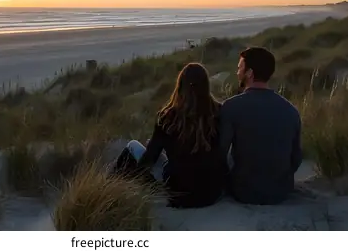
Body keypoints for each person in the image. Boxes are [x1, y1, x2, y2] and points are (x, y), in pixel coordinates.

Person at [112, 62, 227, 208]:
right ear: (206, 86)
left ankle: (109, 192)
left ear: (180, 86)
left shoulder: (167, 117)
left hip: (177, 194)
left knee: (133, 146)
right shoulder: (219, 112)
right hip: (211, 194)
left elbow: (149, 160)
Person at [219, 47, 302, 205]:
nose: (237, 73)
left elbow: (221, 153)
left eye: (239, 68)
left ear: (249, 73)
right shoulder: (291, 110)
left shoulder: (231, 107)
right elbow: (296, 159)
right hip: (281, 191)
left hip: (244, 191)